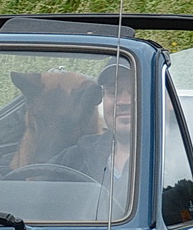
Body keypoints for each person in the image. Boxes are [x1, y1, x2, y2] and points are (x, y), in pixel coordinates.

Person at [55, 60, 136, 203]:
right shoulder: (76, 156)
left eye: (135, 91)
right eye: (113, 92)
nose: (124, 101)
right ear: (103, 99)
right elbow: (31, 190)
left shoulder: (170, 162)